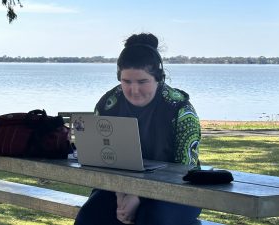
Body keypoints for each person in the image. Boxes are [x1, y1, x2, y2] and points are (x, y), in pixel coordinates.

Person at [74, 33, 202, 225]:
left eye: (142, 82)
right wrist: (121, 194)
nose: (134, 90)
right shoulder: (109, 104)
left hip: (179, 192)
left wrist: (139, 196)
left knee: (150, 218)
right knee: (88, 218)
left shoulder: (181, 110)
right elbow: (101, 159)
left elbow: (184, 171)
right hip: (119, 188)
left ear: (158, 78)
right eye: (126, 82)